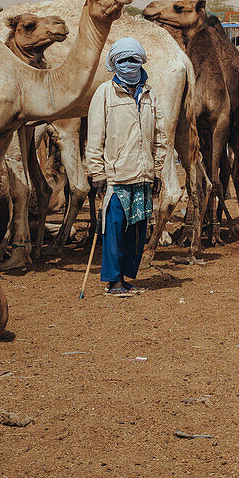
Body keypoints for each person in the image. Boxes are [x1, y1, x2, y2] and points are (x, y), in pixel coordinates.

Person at [85, 37, 166, 296]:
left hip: (143, 174)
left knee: (137, 230)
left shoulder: (150, 93)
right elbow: (95, 137)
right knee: (114, 229)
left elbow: (160, 137)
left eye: (134, 59)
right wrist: (97, 173)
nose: (129, 64)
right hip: (117, 177)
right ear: (114, 63)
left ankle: (126, 277)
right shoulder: (104, 93)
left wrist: (157, 170)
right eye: (124, 60)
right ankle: (113, 281)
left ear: (141, 61)